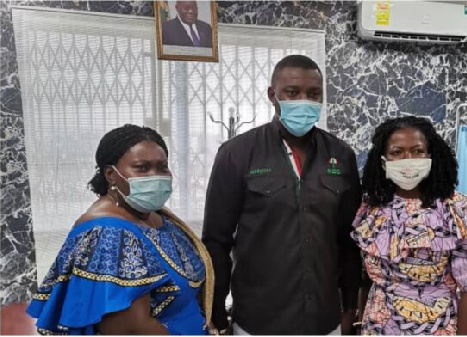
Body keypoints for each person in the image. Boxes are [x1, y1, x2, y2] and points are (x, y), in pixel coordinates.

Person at [202, 55, 362, 335]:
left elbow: (349, 240)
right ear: (272, 95)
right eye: (292, 92)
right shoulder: (237, 154)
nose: (304, 101)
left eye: (313, 94)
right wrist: (216, 312)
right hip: (258, 320)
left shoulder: (341, 155)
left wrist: (349, 307)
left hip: (324, 320)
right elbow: (217, 242)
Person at [27, 124, 215, 335]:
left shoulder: (154, 215)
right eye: (142, 167)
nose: (155, 176)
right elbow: (131, 330)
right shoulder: (110, 234)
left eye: (162, 167)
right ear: (111, 174)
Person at [351, 116, 467, 335]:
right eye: (397, 152)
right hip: (378, 326)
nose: (408, 159)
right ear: (383, 161)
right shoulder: (372, 209)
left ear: (430, 157)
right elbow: (366, 280)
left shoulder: (458, 210)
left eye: (417, 151)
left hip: (437, 327)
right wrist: (360, 323)